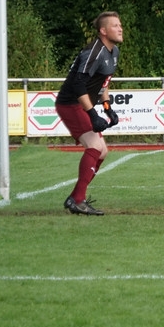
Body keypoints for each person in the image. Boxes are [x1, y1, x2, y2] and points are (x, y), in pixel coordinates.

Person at [56, 11, 124, 216]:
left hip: (82, 105)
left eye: (120, 25)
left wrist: (107, 108)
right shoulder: (94, 51)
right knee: (94, 146)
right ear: (103, 31)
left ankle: (75, 197)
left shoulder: (114, 51)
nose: (120, 29)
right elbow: (78, 84)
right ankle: (78, 200)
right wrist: (93, 114)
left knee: (102, 152)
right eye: (115, 26)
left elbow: (104, 83)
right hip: (71, 103)